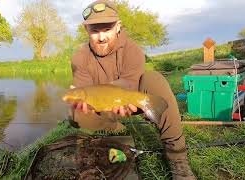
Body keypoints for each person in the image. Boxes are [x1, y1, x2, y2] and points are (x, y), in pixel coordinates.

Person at [69, 0, 196, 179]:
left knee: (155, 80)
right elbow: (84, 90)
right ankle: (112, 125)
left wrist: (124, 102)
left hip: (129, 102)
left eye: (107, 29)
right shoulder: (79, 57)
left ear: (118, 26)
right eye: (95, 31)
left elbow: (129, 85)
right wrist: (80, 101)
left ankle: (178, 158)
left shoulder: (133, 50)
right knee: (75, 113)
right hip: (101, 107)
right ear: (86, 30)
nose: (101, 37)